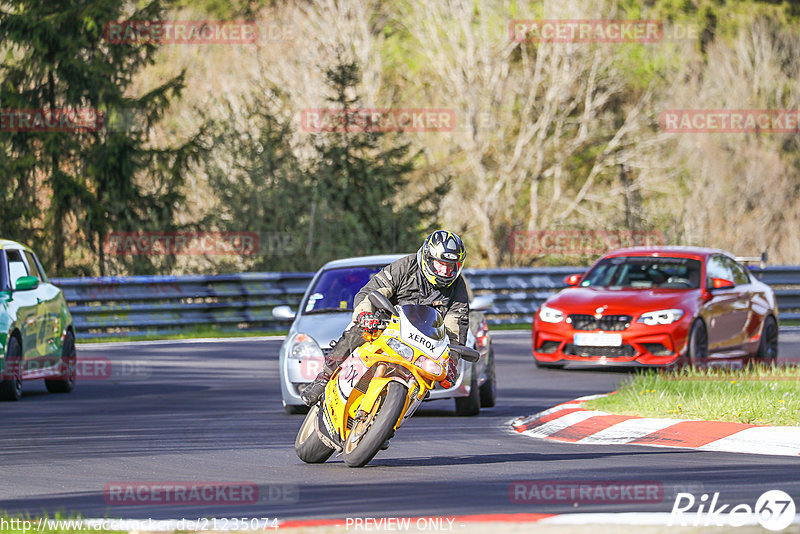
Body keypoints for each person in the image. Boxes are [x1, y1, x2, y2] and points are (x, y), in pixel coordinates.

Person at [301, 230, 470, 406]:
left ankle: (398, 410)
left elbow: (456, 327)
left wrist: (451, 360)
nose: (445, 270)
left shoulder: (457, 287)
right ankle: (323, 378)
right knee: (356, 331)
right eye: (441, 264)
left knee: (429, 380)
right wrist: (365, 315)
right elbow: (371, 292)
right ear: (427, 258)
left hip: (423, 342)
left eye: (451, 266)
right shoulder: (406, 266)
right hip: (388, 325)